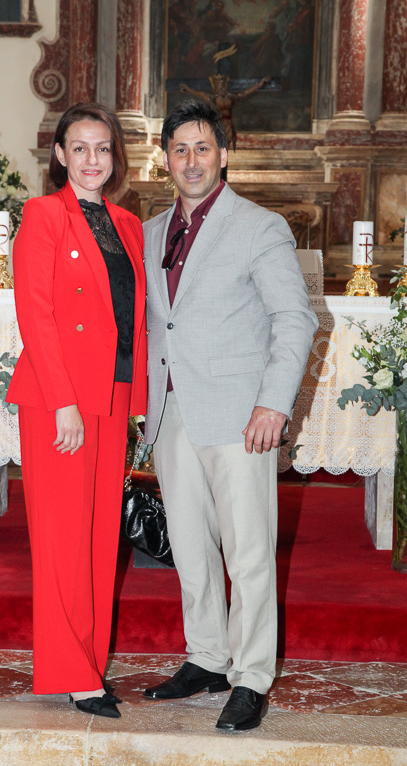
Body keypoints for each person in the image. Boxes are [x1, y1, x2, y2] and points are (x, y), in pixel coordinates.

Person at [142, 100, 317, 731]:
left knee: (248, 552)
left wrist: (273, 403)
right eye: (179, 150)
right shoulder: (150, 231)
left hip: (241, 415)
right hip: (171, 411)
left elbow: (294, 318)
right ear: (165, 159)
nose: (191, 161)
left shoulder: (259, 226)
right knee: (190, 546)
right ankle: (208, 657)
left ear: (223, 153)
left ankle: (251, 676)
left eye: (202, 148)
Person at [7, 103, 147, 719]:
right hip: (58, 399)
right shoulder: (43, 215)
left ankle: (87, 661)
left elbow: (133, 316)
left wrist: (137, 400)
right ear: (61, 154)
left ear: (115, 157)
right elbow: (35, 313)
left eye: (103, 148)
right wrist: (63, 400)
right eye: (81, 148)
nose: (93, 159)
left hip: (111, 396)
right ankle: (73, 673)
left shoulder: (128, 224)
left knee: (98, 539)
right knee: (64, 539)